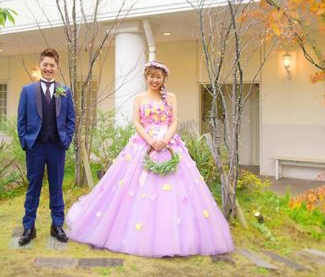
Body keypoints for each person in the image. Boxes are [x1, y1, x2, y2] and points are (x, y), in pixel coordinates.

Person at [66, 61, 234, 257]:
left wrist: (165, 140)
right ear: (146, 77)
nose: (155, 80)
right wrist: (150, 140)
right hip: (143, 144)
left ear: (164, 78)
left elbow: (174, 121)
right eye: (151, 76)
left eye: (158, 77)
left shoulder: (171, 97)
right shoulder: (139, 98)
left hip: (169, 144)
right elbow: (137, 123)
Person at [17, 48, 76, 246]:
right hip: (35, 146)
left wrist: (66, 140)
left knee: (56, 187)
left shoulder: (65, 91)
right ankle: (29, 227)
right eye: (45, 65)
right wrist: (25, 141)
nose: (48, 68)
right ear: (40, 65)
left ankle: (57, 225)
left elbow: (70, 119)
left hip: (56, 147)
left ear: (56, 67)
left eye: (52, 65)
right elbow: (21, 119)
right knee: (33, 186)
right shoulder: (27, 90)